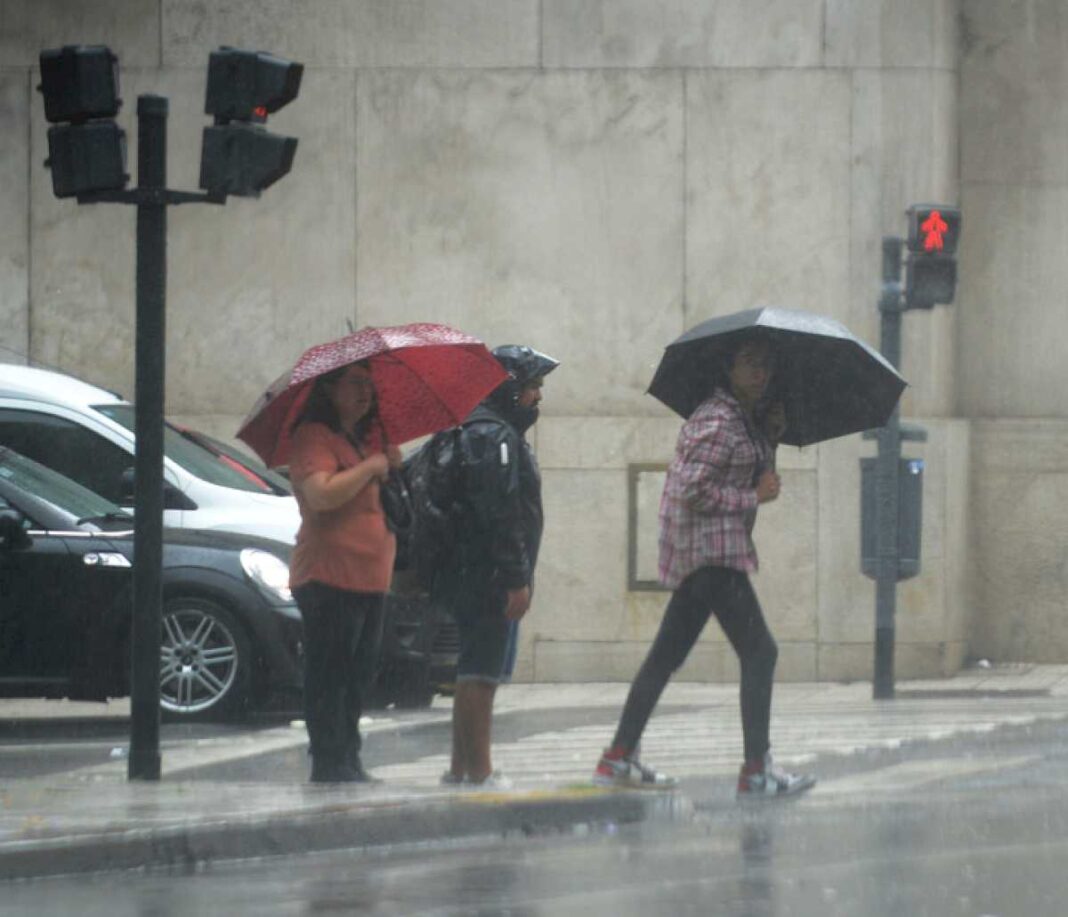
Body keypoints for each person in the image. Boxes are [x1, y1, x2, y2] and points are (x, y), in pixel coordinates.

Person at [593, 334, 816, 798]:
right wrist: (751, 496)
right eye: (750, 363)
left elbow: (749, 476)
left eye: (766, 365)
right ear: (728, 369)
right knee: (761, 651)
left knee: (665, 657)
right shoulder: (719, 419)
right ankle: (756, 770)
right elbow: (693, 488)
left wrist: (770, 440)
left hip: (707, 553)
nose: (761, 373)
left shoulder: (741, 420)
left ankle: (618, 755)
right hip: (712, 554)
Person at [440, 344, 559, 787]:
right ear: (508, 386)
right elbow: (501, 513)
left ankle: (459, 768)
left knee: (472, 668)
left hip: (472, 571)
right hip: (488, 575)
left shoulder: (478, 429)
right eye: (532, 387)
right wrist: (515, 578)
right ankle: (480, 771)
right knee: (482, 673)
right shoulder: (495, 438)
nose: (537, 398)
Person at [287, 362, 402, 783]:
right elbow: (320, 494)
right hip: (329, 575)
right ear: (329, 389)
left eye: (369, 386)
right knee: (331, 674)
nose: (365, 393)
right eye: (355, 384)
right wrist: (371, 467)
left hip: (370, 579)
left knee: (357, 676)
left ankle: (348, 757)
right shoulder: (312, 437)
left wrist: (387, 465)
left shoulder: (355, 442)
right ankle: (330, 762)